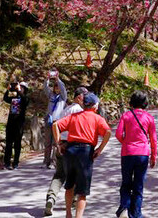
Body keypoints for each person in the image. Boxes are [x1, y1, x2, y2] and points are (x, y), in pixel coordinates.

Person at [52, 92, 111, 218]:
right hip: (85, 152)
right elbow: (107, 132)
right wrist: (100, 149)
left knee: (69, 185)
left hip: (70, 151)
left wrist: (59, 143)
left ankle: (68, 214)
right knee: (82, 191)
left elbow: (55, 125)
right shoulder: (97, 118)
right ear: (95, 106)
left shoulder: (74, 116)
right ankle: (78, 216)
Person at [45, 86, 88, 216]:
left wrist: (57, 142)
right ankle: (73, 202)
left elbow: (56, 125)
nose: (86, 100)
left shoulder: (66, 109)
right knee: (74, 175)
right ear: (79, 97)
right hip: (73, 146)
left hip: (61, 145)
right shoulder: (80, 111)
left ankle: (51, 198)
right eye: (85, 97)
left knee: (59, 175)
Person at [115, 91, 158, 218]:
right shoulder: (149, 117)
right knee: (138, 185)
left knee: (126, 183)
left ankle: (124, 208)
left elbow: (118, 134)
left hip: (127, 153)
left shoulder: (126, 115)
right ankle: (136, 214)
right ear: (145, 103)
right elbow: (153, 139)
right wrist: (153, 156)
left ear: (132, 102)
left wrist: (126, 142)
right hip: (143, 154)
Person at [2, 81, 29, 170]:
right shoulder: (14, 98)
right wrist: (8, 90)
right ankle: (7, 163)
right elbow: (5, 98)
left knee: (17, 145)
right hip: (10, 124)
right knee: (9, 144)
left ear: (25, 89)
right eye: (19, 86)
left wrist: (19, 91)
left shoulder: (25, 98)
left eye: (22, 87)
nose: (19, 88)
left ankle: (15, 163)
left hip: (19, 125)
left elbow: (24, 101)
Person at [44, 69, 67, 168]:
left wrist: (57, 79)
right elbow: (45, 88)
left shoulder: (63, 97)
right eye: (55, 87)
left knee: (55, 143)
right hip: (49, 121)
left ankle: (54, 162)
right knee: (47, 143)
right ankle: (46, 161)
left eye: (58, 87)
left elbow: (63, 89)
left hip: (58, 122)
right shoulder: (51, 96)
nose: (57, 88)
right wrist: (47, 79)